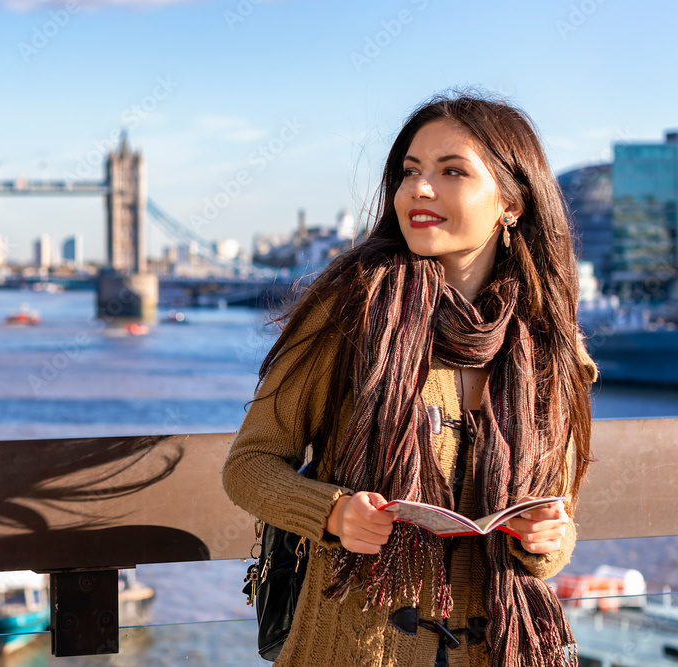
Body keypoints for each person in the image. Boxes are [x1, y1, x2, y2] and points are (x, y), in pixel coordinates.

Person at [222, 91, 598, 667]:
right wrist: (331, 511)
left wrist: (551, 542)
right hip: (353, 649)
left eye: (452, 172)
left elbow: (559, 512)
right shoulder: (350, 309)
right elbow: (248, 464)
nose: (420, 190)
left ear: (512, 203)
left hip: (506, 649)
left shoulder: (550, 340)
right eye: (410, 172)